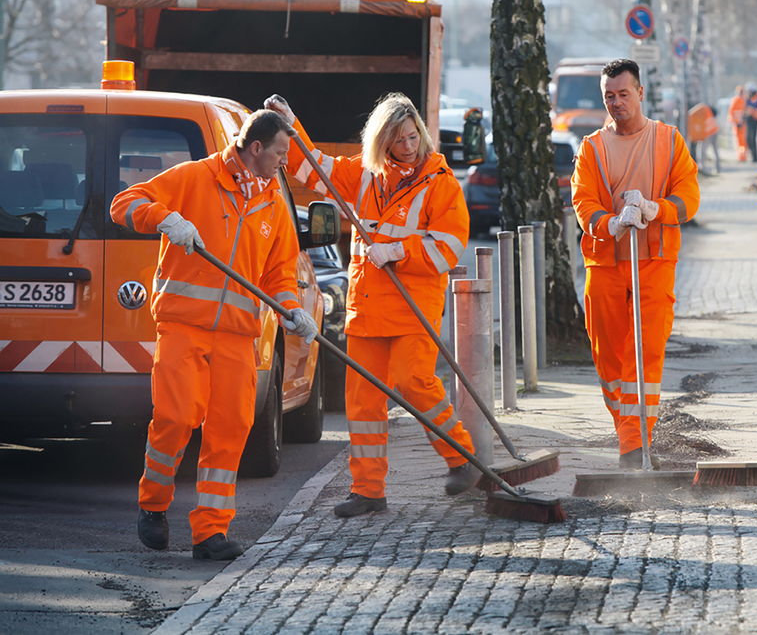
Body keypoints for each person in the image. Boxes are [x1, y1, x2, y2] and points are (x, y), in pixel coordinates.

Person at [110, 110, 318, 561]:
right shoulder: (194, 177)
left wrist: (291, 309)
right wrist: (163, 219)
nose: (285, 161)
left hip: (237, 336)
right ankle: (152, 505)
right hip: (184, 324)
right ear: (256, 148)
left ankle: (211, 533)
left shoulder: (272, 204)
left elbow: (279, 270)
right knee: (177, 416)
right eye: (281, 152)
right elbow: (123, 203)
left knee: (231, 429)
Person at [266, 92, 480, 516]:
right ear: (382, 143)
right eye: (398, 139)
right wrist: (292, 127)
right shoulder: (365, 176)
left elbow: (450, 247)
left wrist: (399, 252)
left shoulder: (441, 184)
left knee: (412, 381)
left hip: (412, 306)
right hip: (366, 310)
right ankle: (367, 490)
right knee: (363, 403)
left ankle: (461, 459)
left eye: (413, 135)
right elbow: (313, 168)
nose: (408, 146)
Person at [571, 58, 700, 468]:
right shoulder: (591, 148)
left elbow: (688, 198)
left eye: (624, 94)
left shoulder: (669, 140)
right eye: (609, 96)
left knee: (644, 354)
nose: (616, 103)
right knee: (608, 356)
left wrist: (652, 209)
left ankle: (634, 443)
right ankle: (627, 430)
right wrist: (612, 223)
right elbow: (583, 202)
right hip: (606, 262)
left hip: (654, 261)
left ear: (641, 93)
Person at [727, 85, 748, 161]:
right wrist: (736, 122)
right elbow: (731, 113)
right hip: (738, 124)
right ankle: (741, 157)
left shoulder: (742, 100)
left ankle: (742, 157)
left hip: (741, 123)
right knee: (740, 141)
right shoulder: (736, 100)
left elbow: (744, 112)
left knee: (742, 141)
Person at [744, 85, 757, 164]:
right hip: (749, 119)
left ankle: (755, 158)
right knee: (748, 139)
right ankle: (752, 155)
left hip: (755, 120)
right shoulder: (748, 100)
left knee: (753, 138)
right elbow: (745, 109)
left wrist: (753, 110)